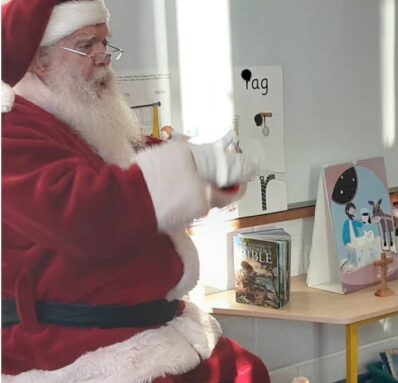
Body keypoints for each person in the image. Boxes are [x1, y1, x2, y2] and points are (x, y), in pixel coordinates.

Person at [1, 1, 271, 382]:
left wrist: (213, 167)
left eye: (104, 45)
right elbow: (83, 215)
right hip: (77, 347)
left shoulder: (81, 119)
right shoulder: (12, 132)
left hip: (144, 329)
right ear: (39, 60)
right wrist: (192, 169)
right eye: (86, 45)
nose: (103, 58)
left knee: (247, 371)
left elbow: (142, 161)